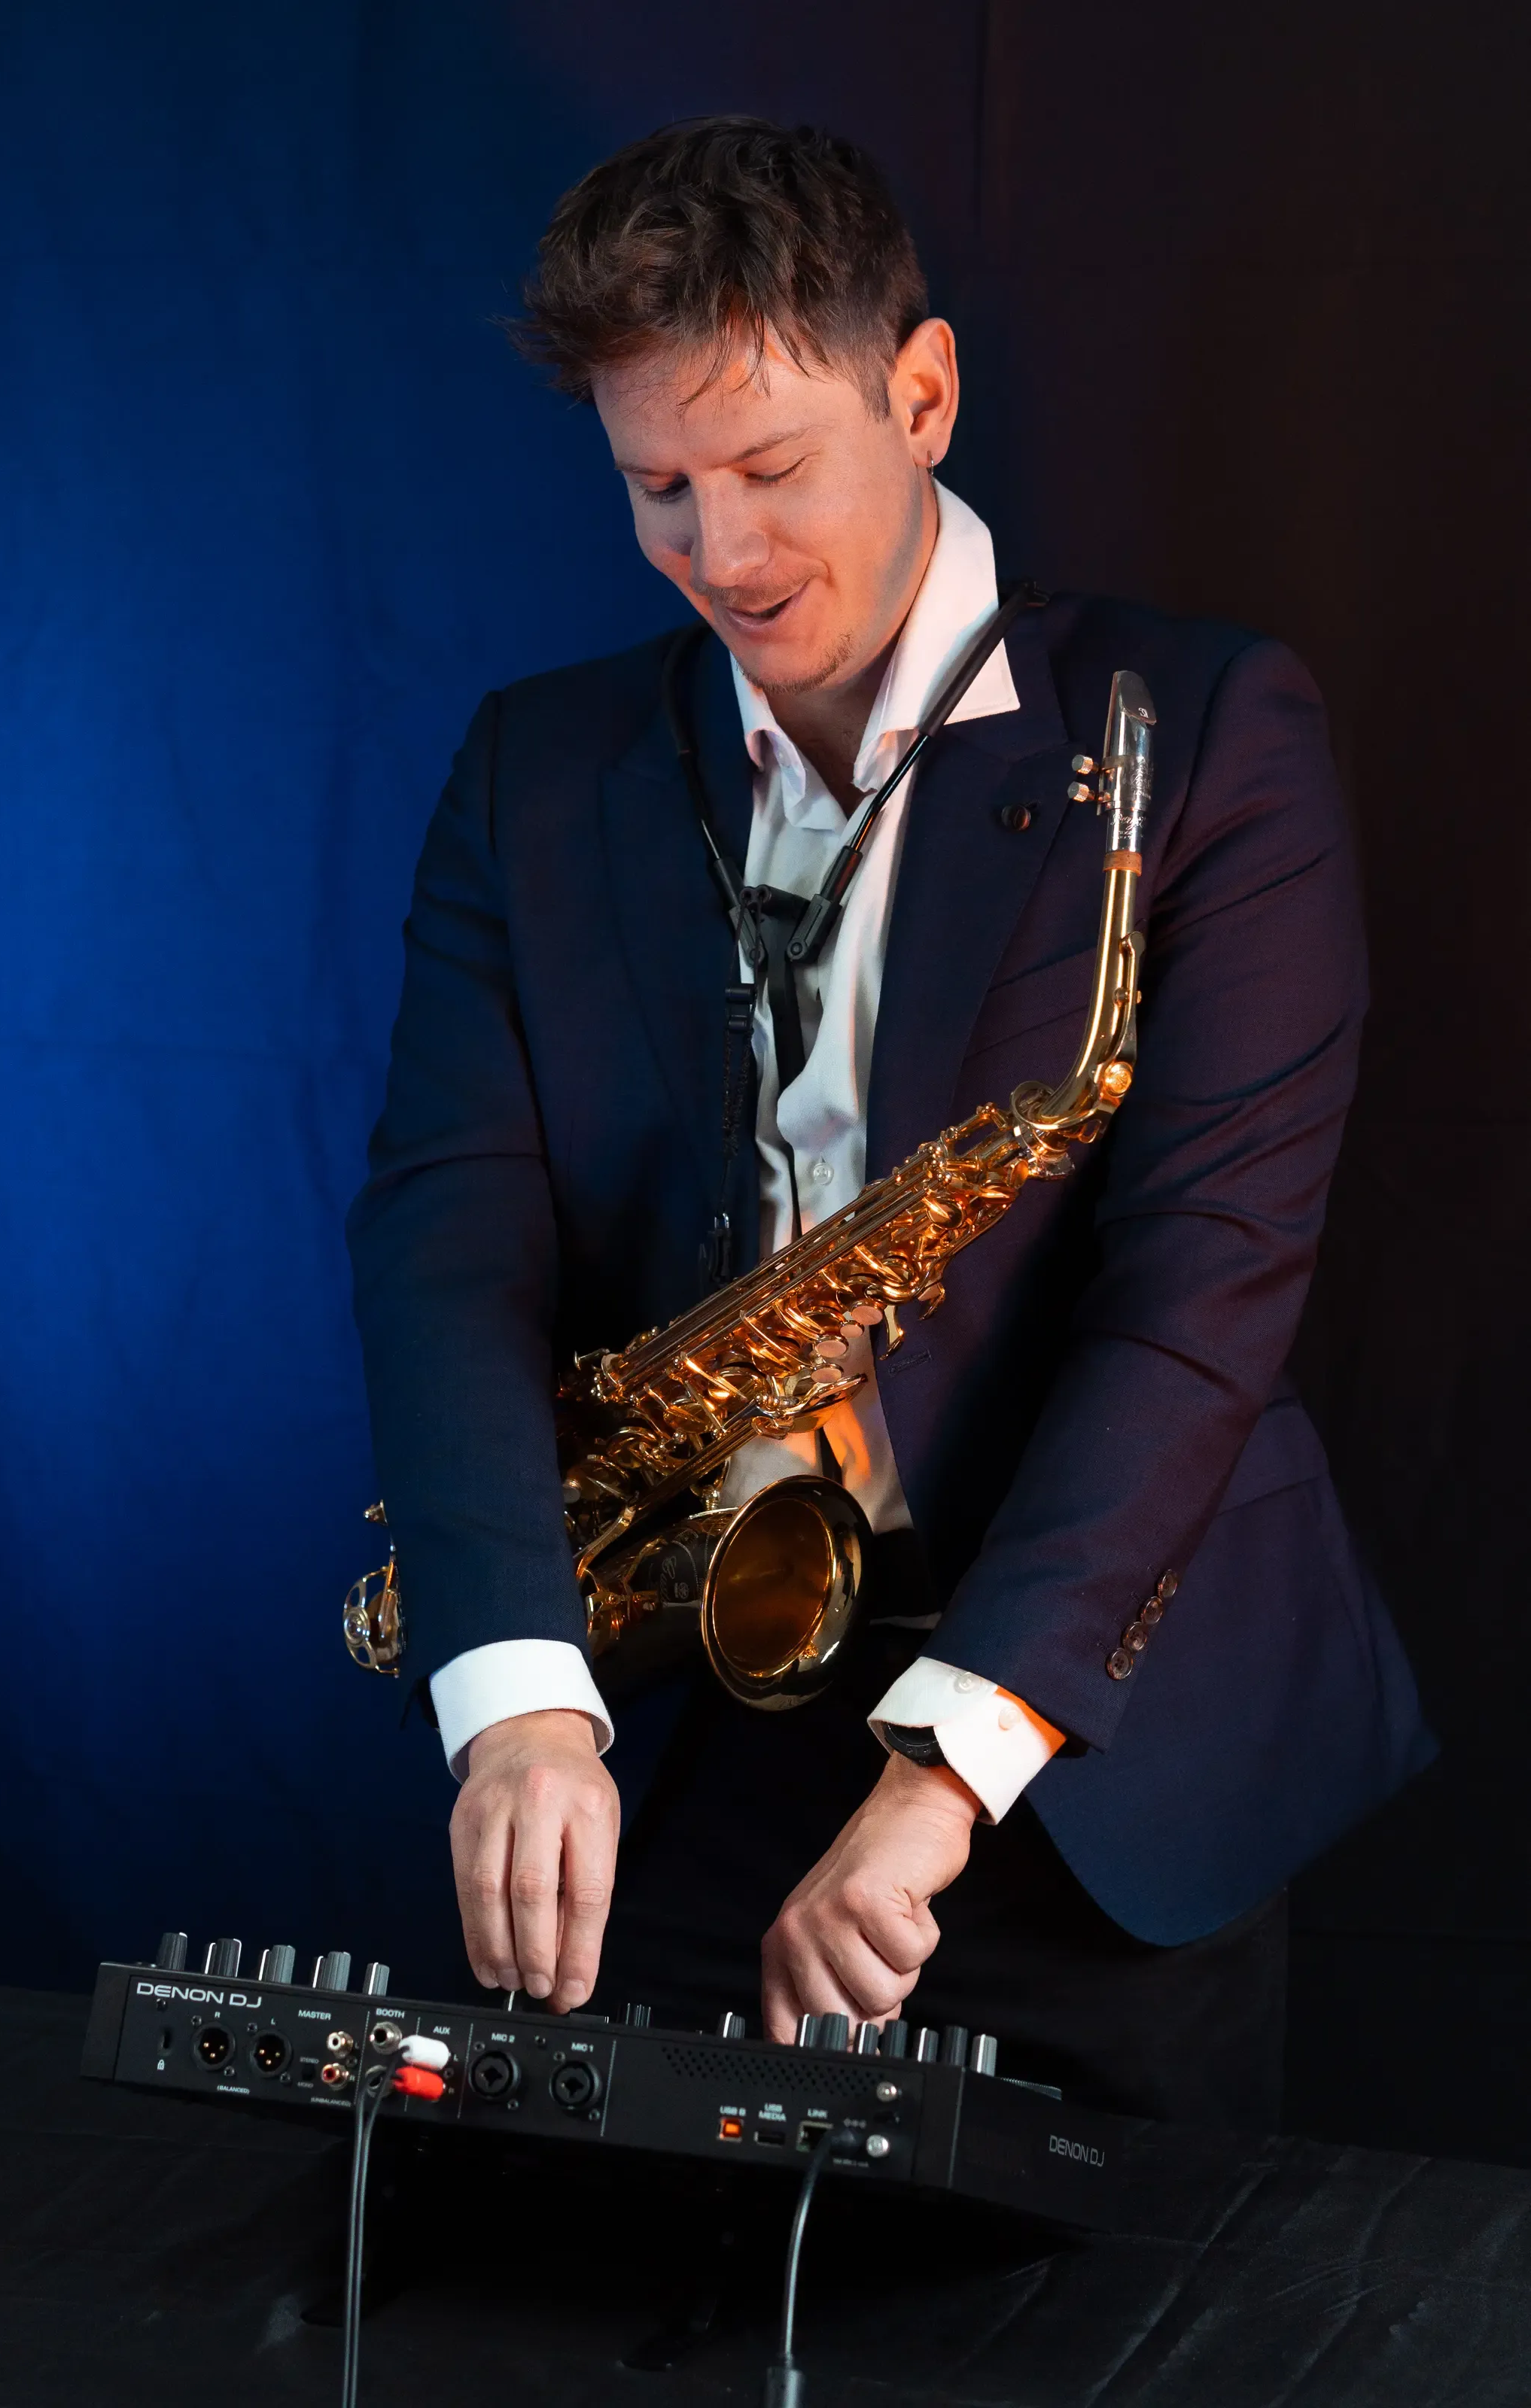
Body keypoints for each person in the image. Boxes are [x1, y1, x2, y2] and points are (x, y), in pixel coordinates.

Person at [347, 117, 1432, 2128]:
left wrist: (935, 1784)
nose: (721, 556)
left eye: (769, 470)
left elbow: (1203, 1297)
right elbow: (447, 1240)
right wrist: (511, 1695)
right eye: (656, 489)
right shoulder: (539, 767)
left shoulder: (1201, 734)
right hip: (690, 1705)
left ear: (918, 393)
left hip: (1102, 1722)